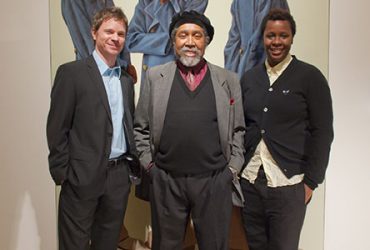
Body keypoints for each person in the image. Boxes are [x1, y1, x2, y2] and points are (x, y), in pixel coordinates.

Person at [134, 10, 245, 250]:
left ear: (206, 41)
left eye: (197, 35)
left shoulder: (229, 80)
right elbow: (140, 128)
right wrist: (151, 168)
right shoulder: (155, 77)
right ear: (174, 41)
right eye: (183, 35)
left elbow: (238, 130)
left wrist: (232, 170)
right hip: (166, 180)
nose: (190, 42)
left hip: (214, 181)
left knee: (214, 245)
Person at [240, 9, 334, 250]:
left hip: (289, 185)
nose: (276, 42)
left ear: (292, 37)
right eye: (271, 35)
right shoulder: (249, 78)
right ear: (263, 38)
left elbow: (323, 133)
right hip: (250, 183)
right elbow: (242, 126)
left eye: (283, 35)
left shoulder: (310, 77)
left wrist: (311, 182)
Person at [47, 7, 139, 250]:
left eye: (120, 33)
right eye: (109, 31)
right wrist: (63, 174)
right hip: (80, 177)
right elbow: (57, 128)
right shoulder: (71, 73)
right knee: (74, 245)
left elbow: (127, 126)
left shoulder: (126, 80)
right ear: (94, 33)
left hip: (118, 178)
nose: (115, 38)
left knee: (107, 244)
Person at [126, 0, 208, 88]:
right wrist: (168, 40)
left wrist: (165, 4)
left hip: (181, 73)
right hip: (152, 76)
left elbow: (183, 35)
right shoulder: (147, 2)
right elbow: (131, 40)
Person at [224, 0, 289, 78]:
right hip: (249, 69)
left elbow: (259, 41)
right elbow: (233, 42)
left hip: (266, 67)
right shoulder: (238, 2)